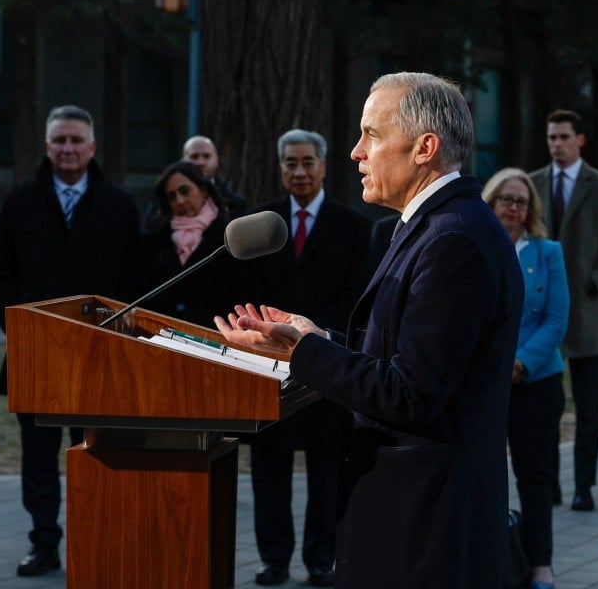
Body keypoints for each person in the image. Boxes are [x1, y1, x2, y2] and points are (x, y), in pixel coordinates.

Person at [215, 72, 524, 588]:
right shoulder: (431, 226)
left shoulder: (455, 241)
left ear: (425, 147)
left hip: (424, 527)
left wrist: (307, 353)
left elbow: (410, 394)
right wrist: (315, 338)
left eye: (371, 135)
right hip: (410, 515)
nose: (356, 153)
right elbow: (400, 357)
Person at [0, 104, 140, 577]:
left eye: (76, 141)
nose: (68, 149)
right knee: (37, 456)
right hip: (37, 354)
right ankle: (44, 544)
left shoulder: (118, 205)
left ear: (91, 148)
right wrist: (19, 327)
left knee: (96, 456)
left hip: (99, 354)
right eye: (60, 141)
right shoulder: (20, 202)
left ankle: (92, 544)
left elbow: (132, 277)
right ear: (47, 146)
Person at [243, 129, 372, 587]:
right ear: (280, 168)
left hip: (327, 360)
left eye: (307, 162)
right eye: (290, 163)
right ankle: (273, 559)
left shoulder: (353, 226)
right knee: (270, 467)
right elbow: (249, 291)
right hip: (269, 364)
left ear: (322, 165)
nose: (299, 172)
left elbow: (358, 297)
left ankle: (322, 558)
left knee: (326, 466)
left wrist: (318, 340)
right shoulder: (261, 223)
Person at [530, 109, 598, 512]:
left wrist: (597, 279)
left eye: (564, 137)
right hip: (540, 313)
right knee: (546, 409)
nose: (557, 144)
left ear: (580, 140)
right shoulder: (532, 183)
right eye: (552, 137)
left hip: (586, 313)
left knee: (587, 409)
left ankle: (583, 487)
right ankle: (548, 485)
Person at [482, 168, 569, 589]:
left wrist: (519, 364)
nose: (514, 208)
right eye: (506, 199)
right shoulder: (474, 247)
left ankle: (540, 564)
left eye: (521, 201)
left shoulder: (548, 252)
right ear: (491, 201)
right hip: (484, 384)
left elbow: (556, 320)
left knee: (535, 477)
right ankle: (490, 559)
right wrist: (496, 366)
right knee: (485, 471)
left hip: (536, 384)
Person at [138, 160, 239, 326]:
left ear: (204, 190)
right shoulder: (156, 239)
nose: (179, 201)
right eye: (172, 196)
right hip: (161, 334)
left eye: (185, 191)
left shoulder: (229, 235)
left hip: (212, 336)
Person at [142, 135, 248, 228]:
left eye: (206, 156)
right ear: (183, 161)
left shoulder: (236, 204)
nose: (200, 163)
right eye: (194, 156)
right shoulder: (164, 198)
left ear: (217, 161)